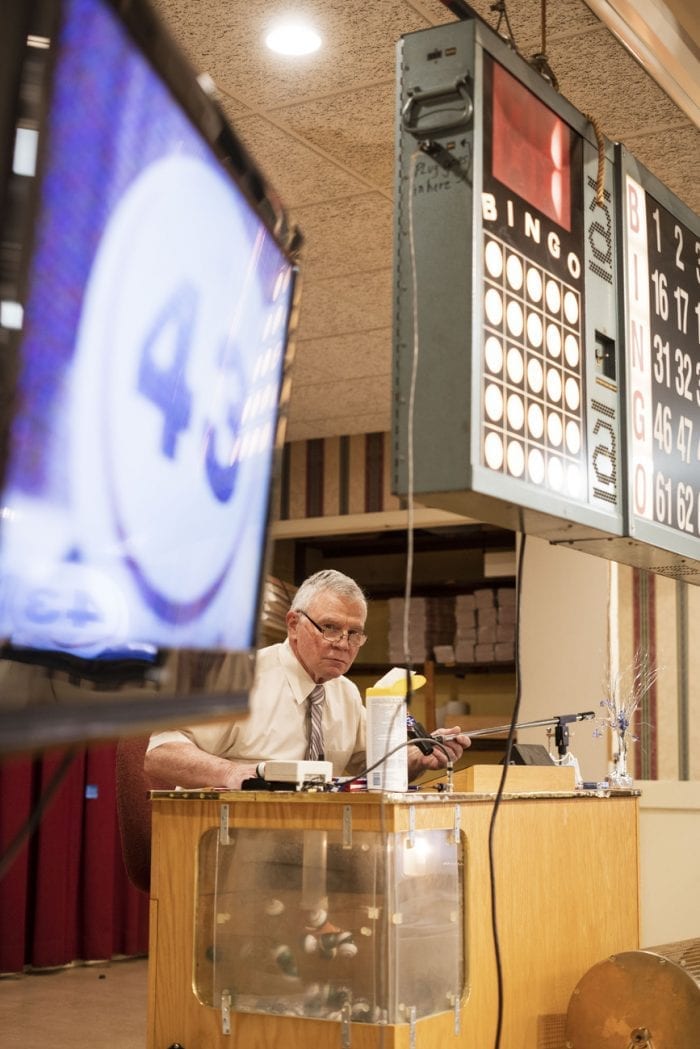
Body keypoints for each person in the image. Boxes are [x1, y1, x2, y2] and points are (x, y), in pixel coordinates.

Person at [144, 568, 470, 790]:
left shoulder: (344, 693)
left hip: (316, 845)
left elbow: (372, 767)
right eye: (329, 627)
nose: (343, 643)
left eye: (354, 633)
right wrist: (231, 773)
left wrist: (418, 755)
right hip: (231, 842)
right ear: (293, 624)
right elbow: (159, 753)